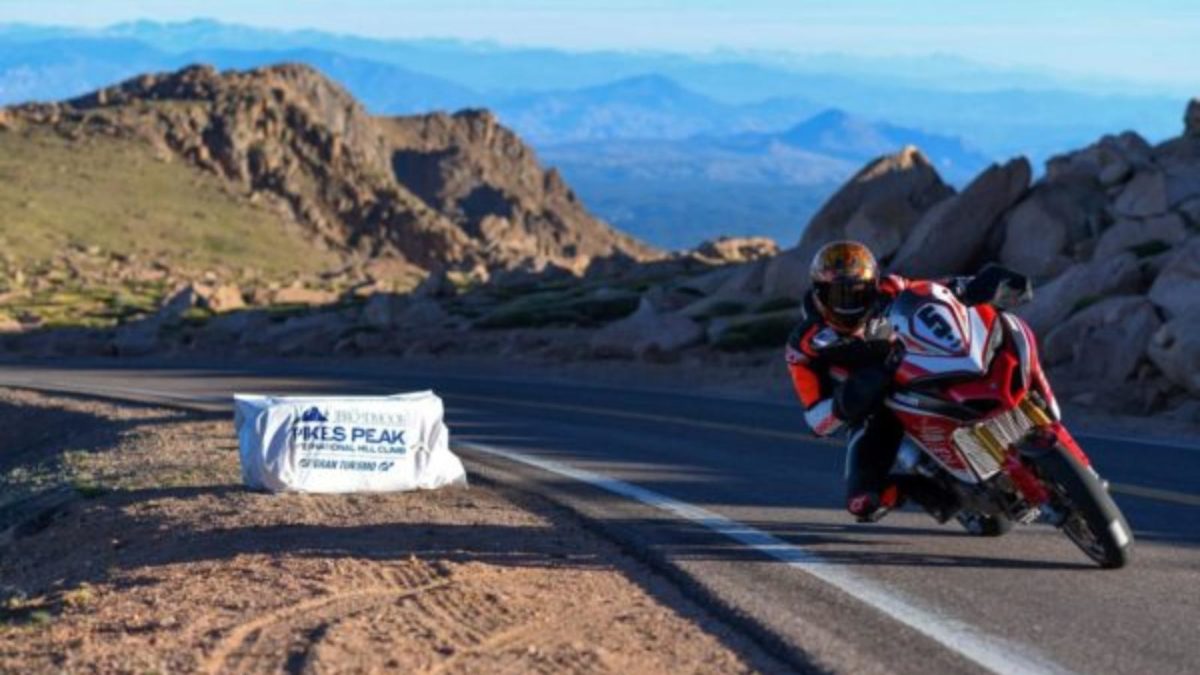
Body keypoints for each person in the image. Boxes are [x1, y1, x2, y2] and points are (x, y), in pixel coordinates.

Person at [785, 240, 1032, 523]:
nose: (853, 300)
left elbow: (938, 290)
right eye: (842, 294)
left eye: (862, 290)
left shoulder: (891, 287)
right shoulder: (805, 345)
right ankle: (942, 495)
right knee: (862, 502)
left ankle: (1013, 425)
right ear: (819, 293)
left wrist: (980, 285)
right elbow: (816, 420)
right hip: (875, 410)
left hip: (920, 371)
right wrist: (856, 393)